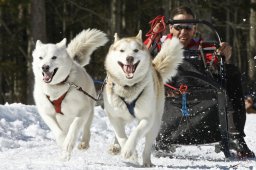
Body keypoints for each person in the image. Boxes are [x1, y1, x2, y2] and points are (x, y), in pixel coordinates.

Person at [144, 6, 255, 158]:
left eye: (188, 27)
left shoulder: (205, 48)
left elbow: (215, 65)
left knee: (231, 72)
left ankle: (235, 136)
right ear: (170, 28)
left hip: (201, 96)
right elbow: (139, 56)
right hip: (168, 98)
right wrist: (153, 38)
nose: (183, 32)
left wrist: (223, 56)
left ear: (195, 29)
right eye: (178, 27)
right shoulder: (157, 45)